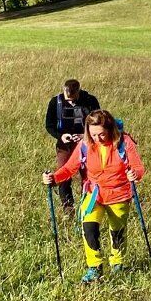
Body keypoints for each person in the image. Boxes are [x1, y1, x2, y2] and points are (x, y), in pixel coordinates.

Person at [43, 109, 143, 283]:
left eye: (101, 134)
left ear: (110, 128)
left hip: (119, 194)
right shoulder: (85, 144)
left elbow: (138, 167)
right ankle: (95, 267)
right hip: (93, 193)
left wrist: (134, 174)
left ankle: (117, 263)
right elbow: (70, 168)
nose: (97, 139)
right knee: (88, 228)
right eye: (93, 134)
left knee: (117, 231)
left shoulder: (124, 142)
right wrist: (53, 178)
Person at [43, 79, 100, 216]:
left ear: (78, 92)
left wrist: (84, 136)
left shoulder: (90, 101)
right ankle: (68, 210)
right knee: (63, 175)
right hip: (65, 146)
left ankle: (87, 207)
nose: (71, 101)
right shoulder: (55, 102)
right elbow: (49, 125)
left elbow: (98, 122)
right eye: (68, 98)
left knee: (87, 175)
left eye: (73, 98)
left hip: (87, 144)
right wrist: (60, 136)